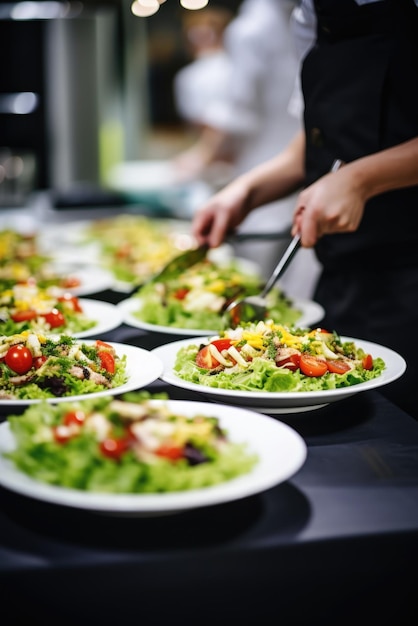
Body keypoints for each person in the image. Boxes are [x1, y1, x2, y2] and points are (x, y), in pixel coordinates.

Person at [191, 0, 418, 420]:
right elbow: (313, 141)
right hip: (345, 276)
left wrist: (361, 179)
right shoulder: (311, 15)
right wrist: (245, 191)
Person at [172, 0, 321, 296]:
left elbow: (237, 114)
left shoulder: (249, 29)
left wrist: (201, 157)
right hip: (295, 173)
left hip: (275, 175)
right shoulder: (301, 16)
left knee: (257, 286)